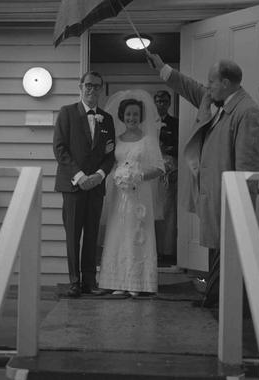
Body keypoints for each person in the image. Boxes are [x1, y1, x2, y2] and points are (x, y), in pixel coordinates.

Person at [147, 52, 259, 307]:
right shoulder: (218, 101)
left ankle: (233, 307)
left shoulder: (247, 112)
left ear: (225, 82)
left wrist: (242, 204)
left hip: (232, 198)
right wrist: (162, 67)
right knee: (217, 247)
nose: (208, 87)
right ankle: (215, 298)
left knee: (231, 251)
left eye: (211, 81)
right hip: (213, 193)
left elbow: (248, 166)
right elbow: (191, 88)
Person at [53, 71, 116, 298]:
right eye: (88, 85)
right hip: (73, 185)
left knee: (91, 234)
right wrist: (80, 177)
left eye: (97, 86)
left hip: (96, 186)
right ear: (80, 87)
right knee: (73, 235)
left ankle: (90, 281)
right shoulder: (67, 113)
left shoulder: (107, 119)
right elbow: (60, 149)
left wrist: (99, 175)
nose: (92, 90)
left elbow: (110, 155)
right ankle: (74, 282)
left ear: (101, 90)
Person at [98, 90, 165, 297]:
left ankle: (138, 283)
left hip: (140, 195)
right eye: (128, 114)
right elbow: (109, 164)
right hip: (119, 194)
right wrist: (119, 176)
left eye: (135, 114)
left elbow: (159, 168)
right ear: (122, 116)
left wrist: (138, 175)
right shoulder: (116, 140)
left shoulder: (148, 141)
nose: (132, 118)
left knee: (138, 233)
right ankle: (118, 280)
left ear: (140, 116)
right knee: (118, 231)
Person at [154, 90, 179, 263]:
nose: (161, 104)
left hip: (169, 170)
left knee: (168, 211)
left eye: (164, 101)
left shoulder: (175, 123)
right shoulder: (147, 122)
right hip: (151, 170)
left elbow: (179, 144)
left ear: (169, 103)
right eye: (158, 100)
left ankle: (167, 250)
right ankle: (153, 248)